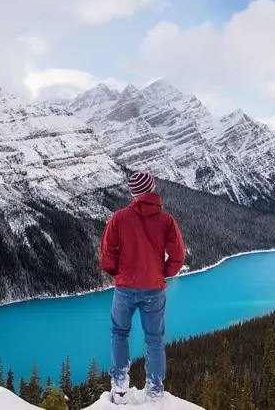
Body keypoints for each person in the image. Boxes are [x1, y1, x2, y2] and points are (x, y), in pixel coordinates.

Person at [99, 171, 186, 403]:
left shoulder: (119, 218)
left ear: (133, 193)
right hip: (154, 290)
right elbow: (178, 254)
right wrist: (162, 273)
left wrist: (117, 272)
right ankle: (155, 391)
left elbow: (107, 253)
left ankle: (119, 388)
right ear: (153, 189)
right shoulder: (166, 220)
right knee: (154, 339)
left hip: (125, 288)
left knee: (119, 333)